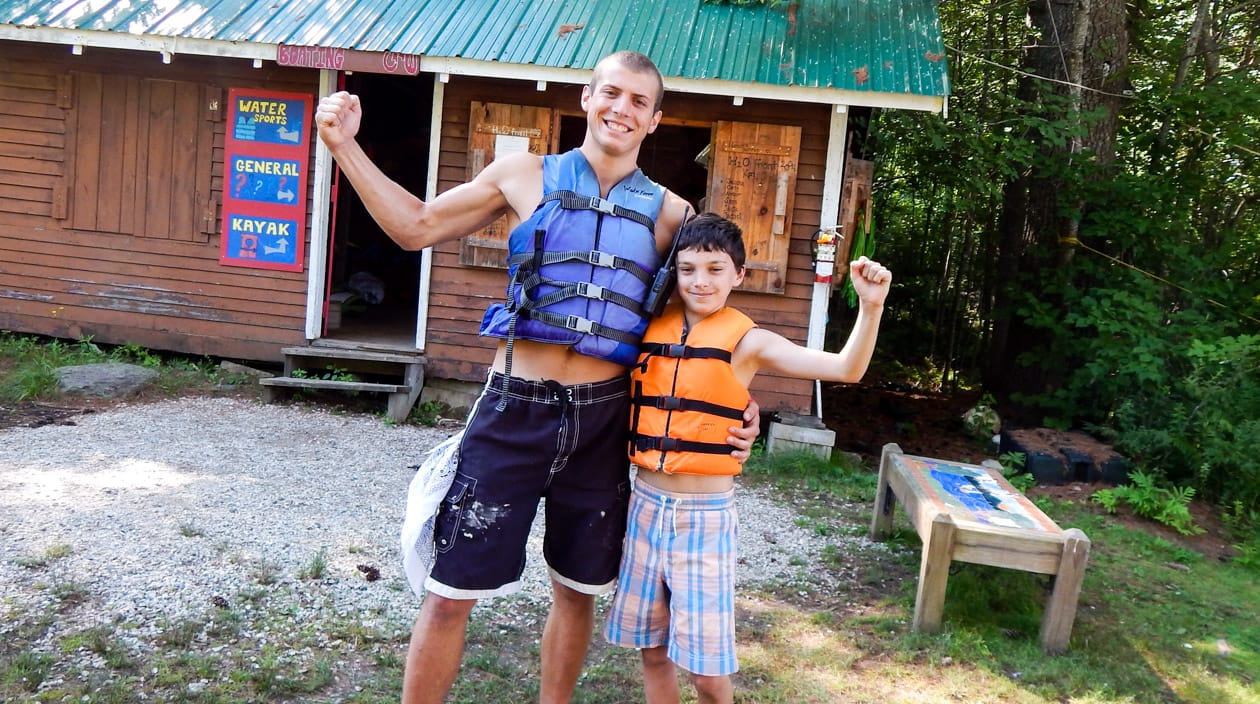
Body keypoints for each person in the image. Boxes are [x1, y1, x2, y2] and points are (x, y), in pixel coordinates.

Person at [314, 51, 761, 704]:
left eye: (638, 101)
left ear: (656, 119)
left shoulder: (672, 214)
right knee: (448, 596)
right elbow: (416, 228)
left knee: (577, 592)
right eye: (611, 93)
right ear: (586, 98)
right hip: (513, 410)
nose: (621, 109)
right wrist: (345, 147)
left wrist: (737, 408)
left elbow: (696, 329)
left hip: (604, 420)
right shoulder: (523, 174)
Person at [604, 212, 892, 704]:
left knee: (707, 674)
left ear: (739, 275)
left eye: (716, 269)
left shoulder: (750, 342)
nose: (701, 281)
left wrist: (871, 308)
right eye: (689, 269)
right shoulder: (649, 327)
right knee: (651, 651)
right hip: (645, 506)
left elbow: (846, 368)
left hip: (705, 520)